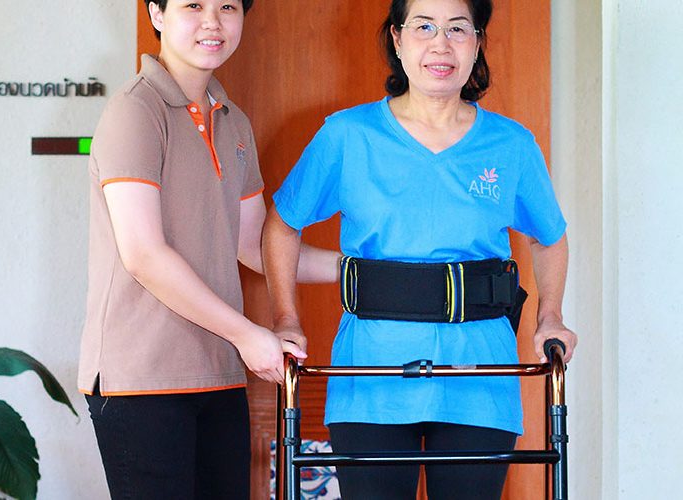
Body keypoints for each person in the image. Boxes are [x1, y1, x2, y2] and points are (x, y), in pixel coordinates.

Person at [262, 0, 578, 499]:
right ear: (397, 38)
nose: (441, 45)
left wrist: (550, 317)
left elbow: (549, 236)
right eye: (424, 27)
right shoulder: (347, 135)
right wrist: (286, 317)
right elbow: (283, 225)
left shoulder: (511, 144)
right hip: (372, 373)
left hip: (481, 373)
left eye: (457, 29)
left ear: (477, 42)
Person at [77, 1, 335, 498]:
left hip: (218, 373)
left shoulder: (232, 121)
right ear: (157, 14)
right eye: (193, 5)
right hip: (142, 379)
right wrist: (247, 335)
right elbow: (143, 254)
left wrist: (357, 269)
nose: (213, 21)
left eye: (227, 7)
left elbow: (256, 246)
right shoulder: (135, 110)